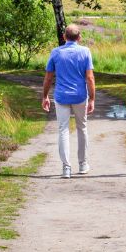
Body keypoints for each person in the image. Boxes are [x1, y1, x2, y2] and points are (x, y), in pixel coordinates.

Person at [42, 24, 95, 179]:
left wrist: (45, 96)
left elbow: (48, 77)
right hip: (80, 96)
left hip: (61, 96)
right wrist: (92, 98)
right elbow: (90, 78)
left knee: (63, 130)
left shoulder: (56, 52)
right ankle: (83, 164)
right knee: (82, 128)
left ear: (64, 37)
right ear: (79, 37)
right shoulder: (85, 52)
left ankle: (66, 167)